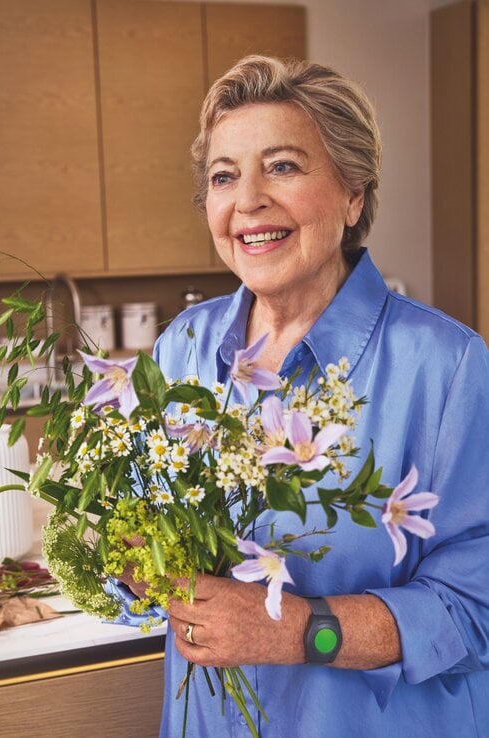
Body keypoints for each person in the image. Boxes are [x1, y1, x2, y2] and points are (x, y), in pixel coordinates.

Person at [119, 55, 489, 736]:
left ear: (354, 194)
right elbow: (138, 531)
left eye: (283, 166)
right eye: (224, 177)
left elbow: (475, 609)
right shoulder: (182, 350)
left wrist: (295, 632)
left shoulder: (449, 368)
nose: (249, 200)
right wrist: (130, 557)